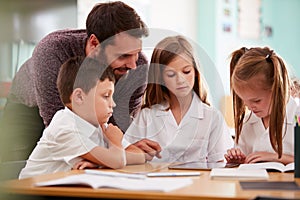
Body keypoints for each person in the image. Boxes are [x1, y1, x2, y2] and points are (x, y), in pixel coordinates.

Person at [0, 1, 149, 162]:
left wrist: (113, 153)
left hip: (90, 109)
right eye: (123, 55)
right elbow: (58, 123)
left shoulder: (138, 66)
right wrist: (104, 157)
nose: (133, 65)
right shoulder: (53, 50)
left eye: (136, 53)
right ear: (94, 43)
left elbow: (114, 131)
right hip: (31, 107)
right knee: (16, 164)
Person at [19, 56, 145, 179]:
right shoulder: (65, 129)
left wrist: (101, 161)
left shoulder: (98, 124)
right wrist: (115, 144)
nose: (113, 104)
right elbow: (118, 161)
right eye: (106, 96)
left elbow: (140, 156)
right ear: (79, 97)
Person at [124, 35, 233, 163]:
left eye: (186, 72)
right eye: (171, 74)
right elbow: (124, 153)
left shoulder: (212, 118)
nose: (180, 80)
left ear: (196, 72)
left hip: (199, 183)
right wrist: (135, 151)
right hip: (155, 182)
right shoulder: (146, 116)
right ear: (160, 78)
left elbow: (221, 164)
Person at [224, 47, 299, 165]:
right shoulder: (247, 123)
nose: (249, 107)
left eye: (256, 101)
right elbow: (245, 162)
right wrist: (239, 161)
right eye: (244, 101)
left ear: (277, 89)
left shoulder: (297, 115)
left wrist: (276, 157)